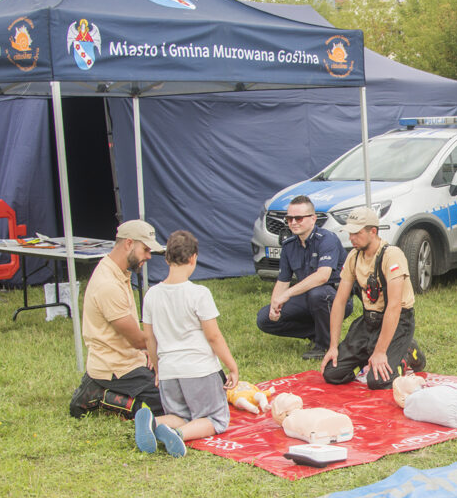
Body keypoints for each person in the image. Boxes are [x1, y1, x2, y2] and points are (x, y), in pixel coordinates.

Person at [136, 231, 240, 458]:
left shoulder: (151, 295)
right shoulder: (199, 293)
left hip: (169, 370)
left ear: (166, 258)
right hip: (199, 369)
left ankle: (155, 423)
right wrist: (232, 366)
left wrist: (157, 367)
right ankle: (178, 434)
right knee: (216, 419)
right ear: (193, 258)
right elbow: (214, 337)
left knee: (180, 414)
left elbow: (149, 338)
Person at [68, 220, 166, 419]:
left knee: (177, 390)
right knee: (170, 400)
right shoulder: (108, 284)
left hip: (127, 359)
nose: (148, 256)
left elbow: (139, 341)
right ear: (128, 243)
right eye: (145, 249)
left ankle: (100, 388)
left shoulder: (118, 271)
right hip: (116, 367)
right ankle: (97, 394)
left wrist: (149, 351)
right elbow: (139, 340)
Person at [322, 207, 423, 390]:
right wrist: (333, 347)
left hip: (397, 320)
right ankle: (371, 350)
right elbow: (339, 302)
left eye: (356, 233)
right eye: (350, 233)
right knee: (332, 373)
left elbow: (394, 306)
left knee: (378, 381)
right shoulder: (354, 256)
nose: (351, 238)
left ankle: (407, 353)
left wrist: (380, 352)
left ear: (373, 232)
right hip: (369, 320)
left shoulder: (392, 255)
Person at [256, 195, 346, 361]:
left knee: (318, 294)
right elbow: (283, 281)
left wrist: (288, 294)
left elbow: (322, 276)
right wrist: (275, 304)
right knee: (264, 319)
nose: (293, 222)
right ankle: (316, 332)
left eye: (298, 218)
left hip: (335, 297)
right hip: (308, 297)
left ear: (313, 219)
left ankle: (324, 346)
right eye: (289, 219)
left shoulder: (327, 240)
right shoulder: (289, 245)